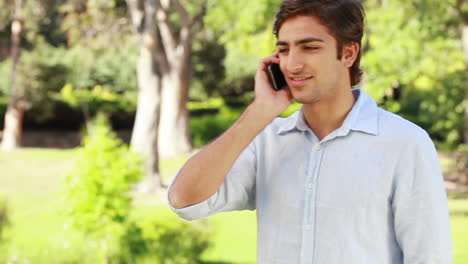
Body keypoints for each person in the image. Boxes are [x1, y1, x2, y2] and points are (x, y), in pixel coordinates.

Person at [167, 0, 453, 263]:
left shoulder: (404, 143)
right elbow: (185, 201)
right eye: (284, 49)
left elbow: (429, 257)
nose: (292, 64)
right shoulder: (266, 140)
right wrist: (259, 112)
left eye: (309, 47)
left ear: (349, 53)